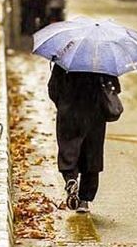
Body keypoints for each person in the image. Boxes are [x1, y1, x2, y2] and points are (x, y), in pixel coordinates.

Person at [48, 64, 121, 213]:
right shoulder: (103, 61)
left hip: (69, 111)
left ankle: (70, 178)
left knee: (68, 150)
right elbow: (115, 88)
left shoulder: (65, 61)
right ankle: (84, 201)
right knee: (92, 154)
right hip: (95, 113)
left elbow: (53, 88)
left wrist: (62, 104)